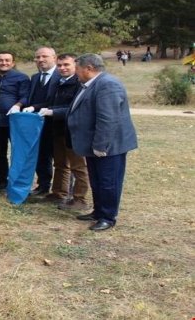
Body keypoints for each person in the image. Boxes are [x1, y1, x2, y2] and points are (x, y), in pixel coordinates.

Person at [67, 53, 138, 231]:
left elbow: (108, 119)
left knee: (109, 181)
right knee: (97, 180)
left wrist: (101, 145)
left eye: (77, 69)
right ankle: (98, 211)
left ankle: (108, 216)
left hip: (108, 146)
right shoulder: (89, 84)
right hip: (93, 144)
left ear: (89, 68)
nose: (75, 73)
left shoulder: (107, 85)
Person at [37, 53, 89, 210]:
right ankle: (59, 193)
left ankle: (80, 199)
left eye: (66, 65)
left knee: (78, 167)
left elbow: (77, 109)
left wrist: (52, 112)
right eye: (60, 65)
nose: (62, 68)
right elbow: (49, 103)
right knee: (60, 164)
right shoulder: (57, 82)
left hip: (74, 131)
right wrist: (36, 107)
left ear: (75, 66)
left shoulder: (80, 84)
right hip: (58, 130)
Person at [21, 47, 60, 196]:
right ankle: (43, 185)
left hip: (56, 123)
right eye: (37, 57)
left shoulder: (61, 75)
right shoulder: (35, 77)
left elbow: (54, 101)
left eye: (45, 56)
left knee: (60, 160)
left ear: (54, 58)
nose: (41, 60)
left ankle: (63, 191)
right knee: (40, 155)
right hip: (36, 124)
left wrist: (34, 107)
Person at [0, 51, 30, 191]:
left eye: (7, 60)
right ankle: (2, 180)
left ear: (13, 62)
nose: (3, 63)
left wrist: (17, 105)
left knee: (17, 152)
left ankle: (18, 181)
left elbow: (26, 96)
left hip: (15, 121)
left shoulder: (22, 78)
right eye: (0, 60)